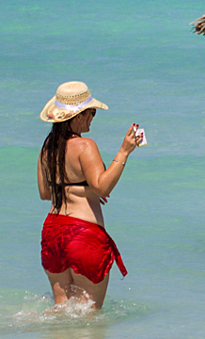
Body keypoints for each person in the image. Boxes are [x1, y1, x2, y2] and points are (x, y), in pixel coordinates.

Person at [37, 81, 142, 310]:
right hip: (83, 234)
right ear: (76, 116)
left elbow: (45, 193)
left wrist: (81, 189)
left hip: (53, 232)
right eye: (91, 112)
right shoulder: (85, 145)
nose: (93, 117)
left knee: (62, 312)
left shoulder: (47, 148)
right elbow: (102, 187)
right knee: (89, 320)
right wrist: (124, 151)